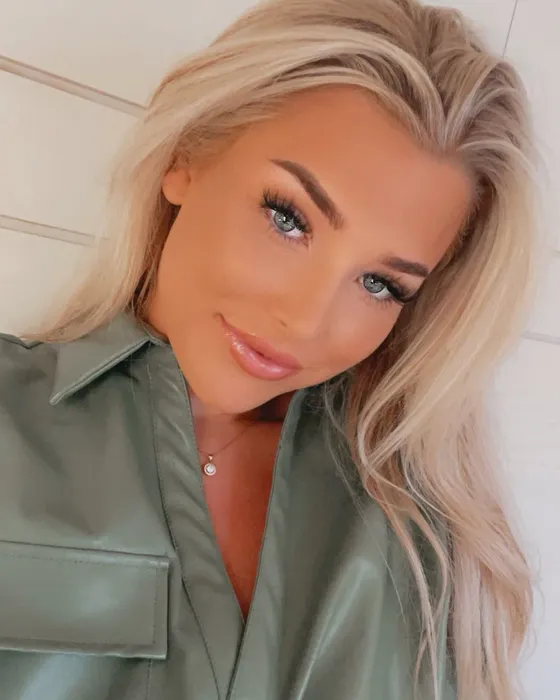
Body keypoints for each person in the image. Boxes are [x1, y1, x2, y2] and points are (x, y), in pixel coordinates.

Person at [0, 0, 536, 698]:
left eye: (379, 283)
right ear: (188, 155)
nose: (305, 321)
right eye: (288, 218)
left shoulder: (423, 533)